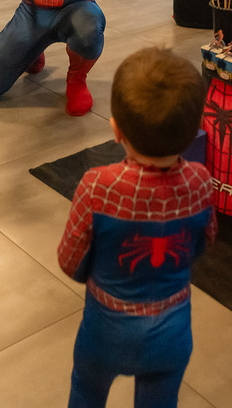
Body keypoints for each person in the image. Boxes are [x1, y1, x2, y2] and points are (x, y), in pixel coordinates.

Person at [57, 47, 217, 408]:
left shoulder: (97, 186)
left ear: (116, 129)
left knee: (86, 391)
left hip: (104, 330)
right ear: (195, 131)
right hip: (172, 332)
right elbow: (203, 243)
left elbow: (70, 261)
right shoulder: (201, 182)